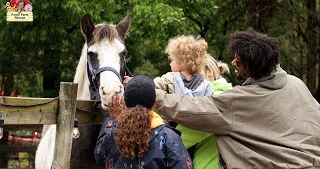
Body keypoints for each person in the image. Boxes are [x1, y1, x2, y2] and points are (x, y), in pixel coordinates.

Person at [155, 29, 320, 168]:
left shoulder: (239, 100)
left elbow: (191, 109)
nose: (233, 62)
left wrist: (153, 94)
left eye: (238, 61)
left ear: (250, 67)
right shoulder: (297, 84)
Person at [94, 75, 192, 169]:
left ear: (126, 103)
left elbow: (99, 155)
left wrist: (113, 119)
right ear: (154, 103)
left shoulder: (113, 133)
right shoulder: (168, 137)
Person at [153, 35, 218, 169]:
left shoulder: (169, 79)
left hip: (170, 133)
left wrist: (133, 82)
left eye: (172, 60)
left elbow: (150, 89)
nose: (170, 63)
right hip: (193, 135)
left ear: (182, 61)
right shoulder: (206, 85)